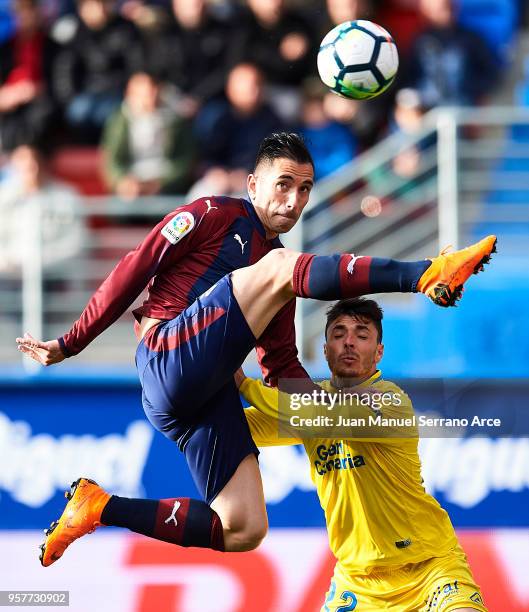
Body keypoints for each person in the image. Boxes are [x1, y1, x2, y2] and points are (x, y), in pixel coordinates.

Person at [15, 132, 496, 567]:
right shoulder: (212, 215)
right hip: (166, 355)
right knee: (281, 266)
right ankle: (425, 273)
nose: (294, 200)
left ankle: (98, 506)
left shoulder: (277, 277)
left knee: (244, 528)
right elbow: (135, 267)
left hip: (200, 399)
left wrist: (329, 421)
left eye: (305, 189)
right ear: (252, 183)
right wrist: (70, 341)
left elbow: (281, 366)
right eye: (283, 184)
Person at [239, 297, 487, 611]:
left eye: (362, 334)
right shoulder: (306, 411)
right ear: (325, 349)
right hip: (358, 582)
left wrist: (244, 384)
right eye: (339, 334)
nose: (349, 343)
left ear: (379, 352)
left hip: (429, 568)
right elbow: (234, 428)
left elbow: (320, 415)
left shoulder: (390, 401)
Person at [102, 71, 196, 199]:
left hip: (166, 187)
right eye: (143, 94)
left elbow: (184, 161)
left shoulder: (177, 121)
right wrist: (123, 183)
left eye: (153, 92)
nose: (149, 99)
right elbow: (111, 161)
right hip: (131, 187)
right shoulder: (119, 122)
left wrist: (161, 184)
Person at [0, 144, 84, 272]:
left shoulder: (67, 197)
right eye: (24, 160)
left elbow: (76, 242)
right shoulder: (4, 197)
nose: (32, 166)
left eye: (36, 159)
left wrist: (39, 263)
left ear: (45, 162)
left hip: (55, 278)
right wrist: (13, 262)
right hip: (10, 279)